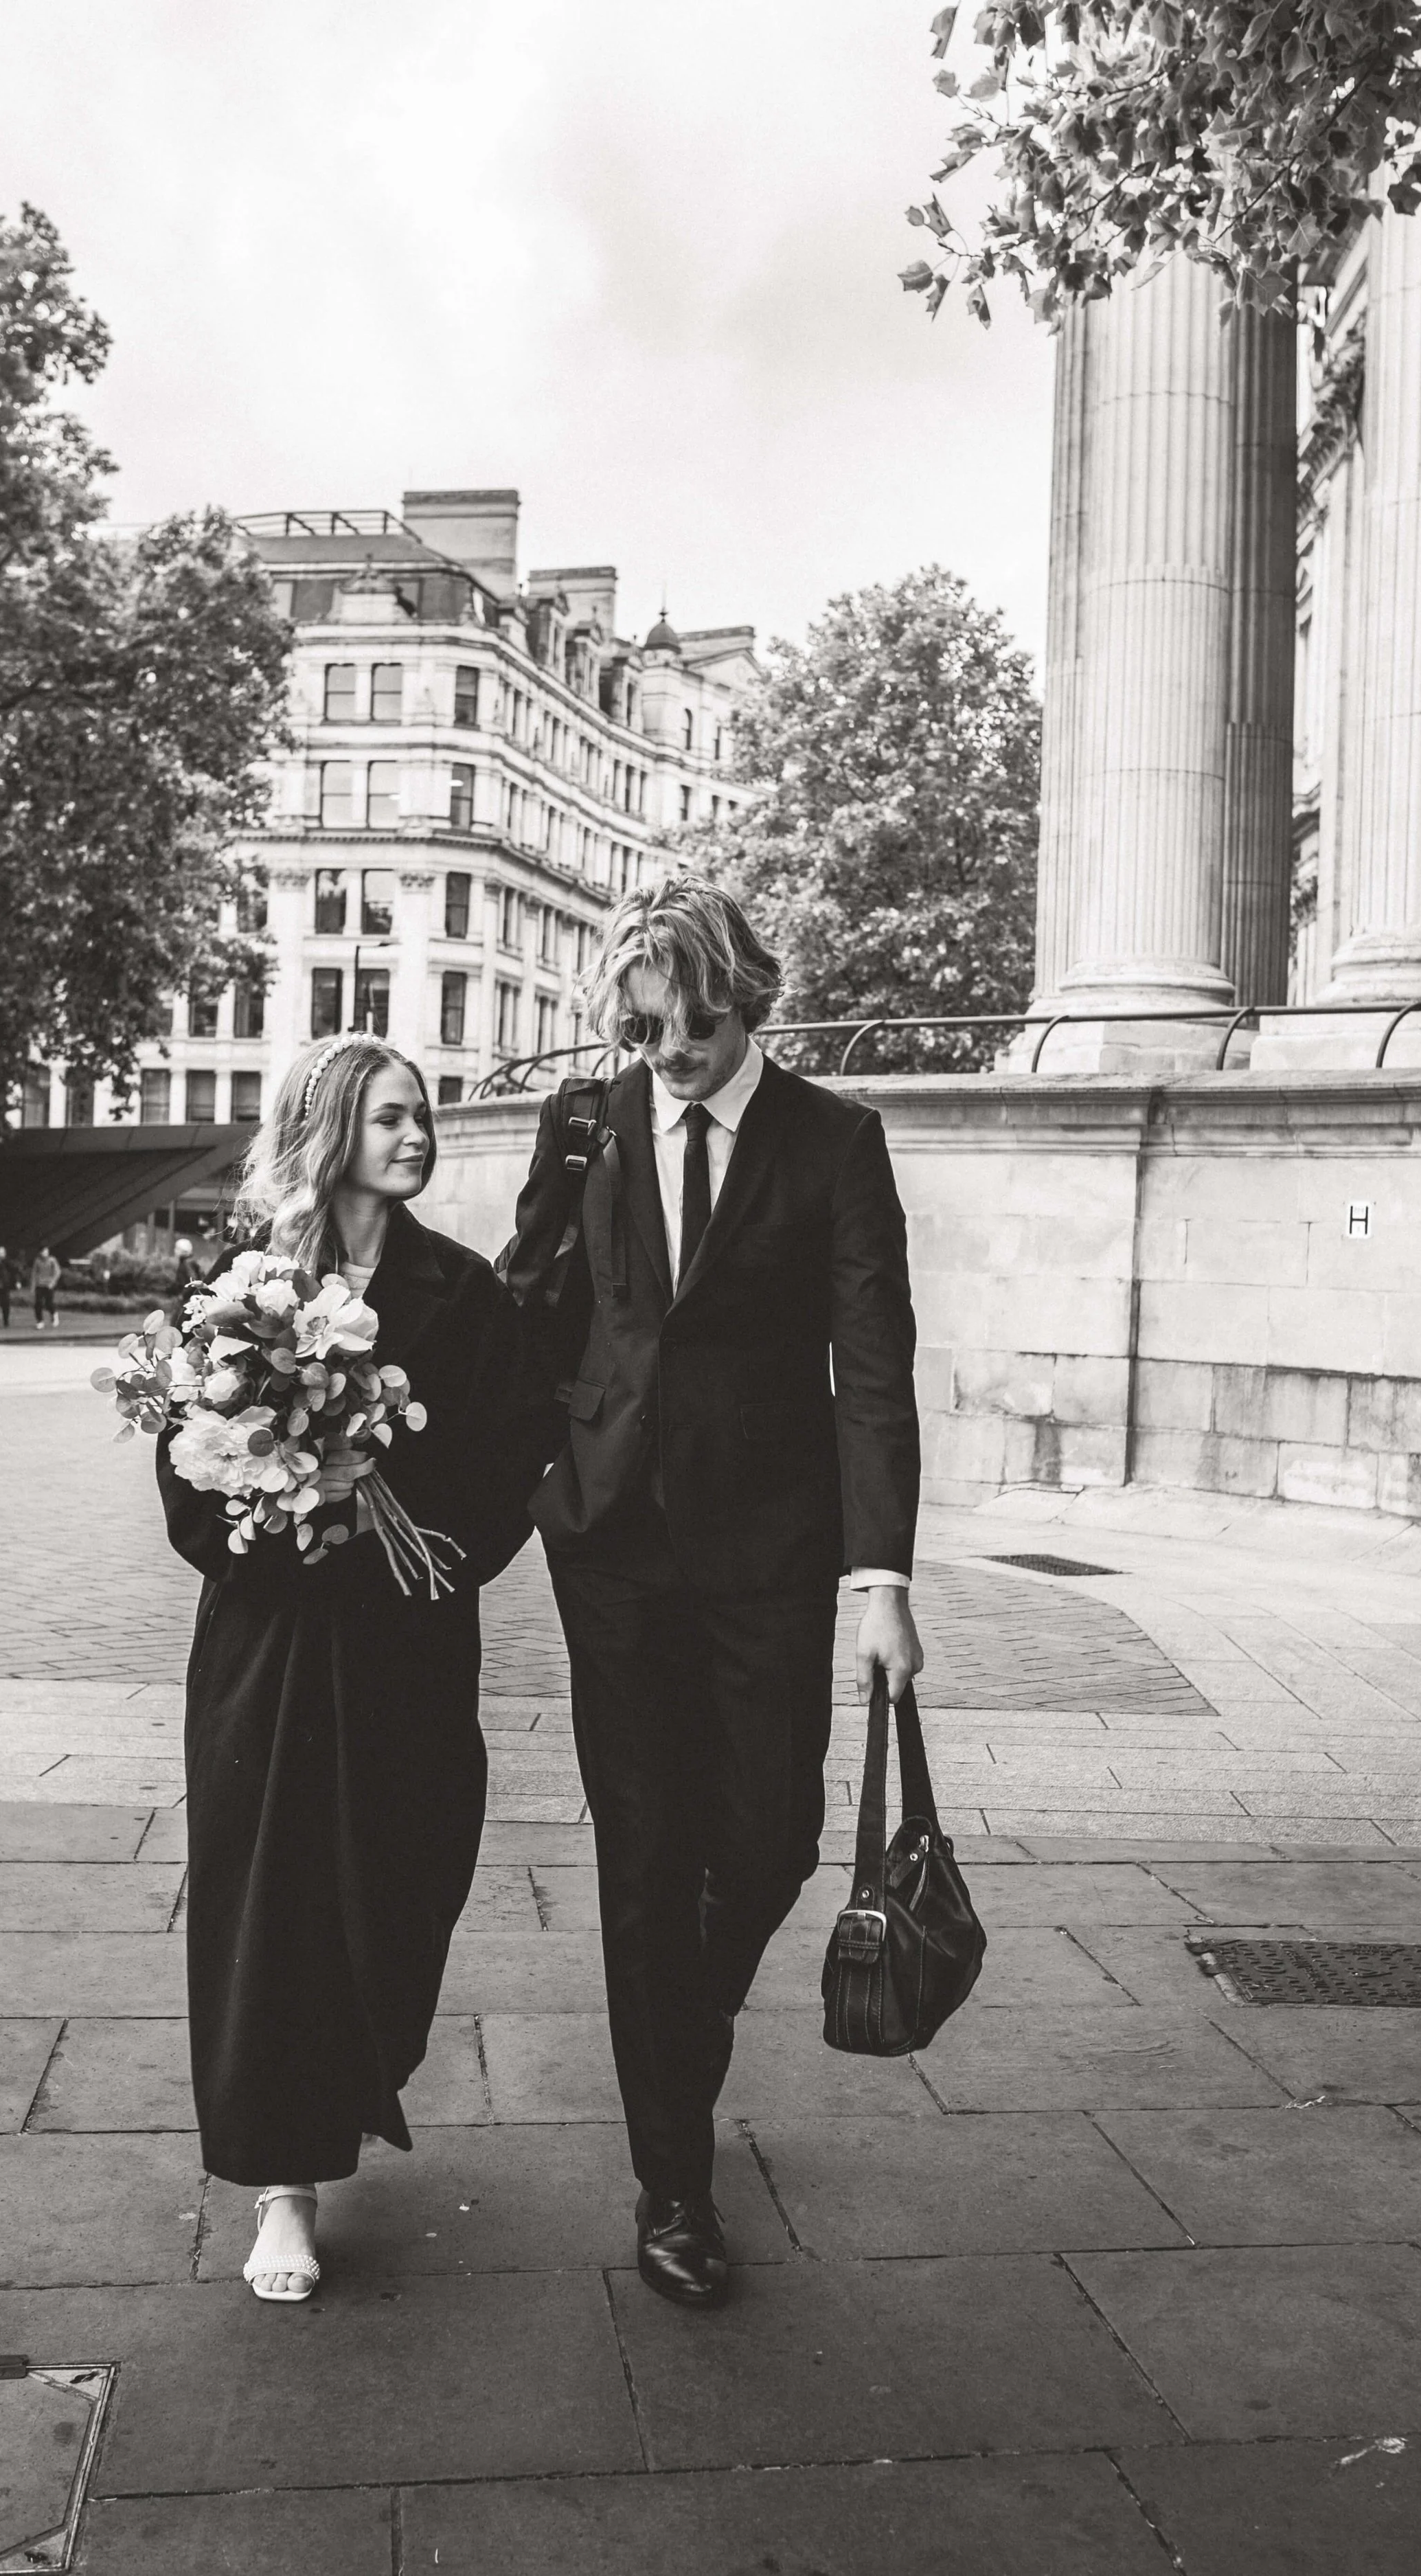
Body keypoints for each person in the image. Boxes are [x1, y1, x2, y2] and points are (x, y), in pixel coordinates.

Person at [505, 876, 923, 2309]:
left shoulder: (834, 1143)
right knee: (642, 1848)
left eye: (694, 1026)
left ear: (753, 1004)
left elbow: (870, 1368)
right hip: (609, 1543)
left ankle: (674, 2051)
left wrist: (882, 1579)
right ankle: (671, 2180)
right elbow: (530, 1304)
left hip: (768, 1551)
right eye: (644, 1029)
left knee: (768, 1841)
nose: (667, 1052)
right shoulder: (586, 1123)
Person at [156, 1031, 552, 2303]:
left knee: (403, 1883)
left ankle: (349, 2077)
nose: (417, 1135)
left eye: (424, 1114)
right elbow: (184, 1469)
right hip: (271, 1648)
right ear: (331, 1132)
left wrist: (414, 1545)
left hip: (408, 1641)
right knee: (272, 1907)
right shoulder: (245, 1284)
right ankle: (285, 2182)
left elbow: (509, 1466)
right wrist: (280, 1508)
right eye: (390, 1117)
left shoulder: (466, 1290)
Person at [30, 1245, 60, 1329]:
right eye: (44, 1252)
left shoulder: (52, 1260)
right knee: (38, 1303)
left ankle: (54, 1314)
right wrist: (33, 1286)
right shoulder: (37, 1261)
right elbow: (34, 1274)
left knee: (49, 1303)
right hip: (40, 1284)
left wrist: (52, 1283)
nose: (45, 1253)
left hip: (49, 1285)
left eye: (46, 1251)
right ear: (40, 1253)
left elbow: (57, 1272)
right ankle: (40, 1321)